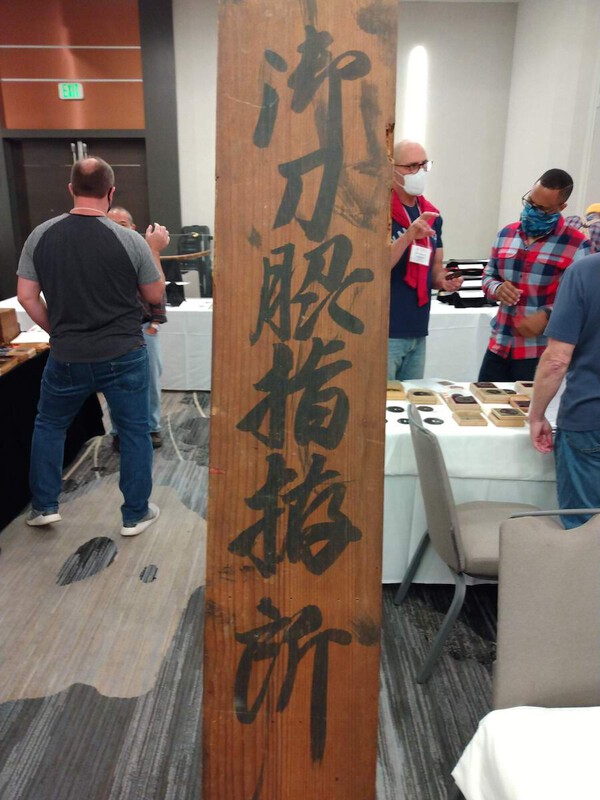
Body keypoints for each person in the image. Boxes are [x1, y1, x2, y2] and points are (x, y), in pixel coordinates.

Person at [16, 157, 168, 536]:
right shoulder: (130, 240)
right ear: (110, 192)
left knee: (50, 426)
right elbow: (154, 295)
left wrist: (58, 330)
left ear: (71, 189)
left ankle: (44, 506)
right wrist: (153, 250)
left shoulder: (40, 236)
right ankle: (135, 514)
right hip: (124, 354)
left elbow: (27, 296)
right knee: (133, 432)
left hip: (67, 355)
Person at [479, 169, 590, 382]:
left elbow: (583, 301)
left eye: (542, 209)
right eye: (530, 202)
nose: (532, 210)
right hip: (499, 346)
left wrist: (548, 316)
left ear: (561, 207)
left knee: (527, 406)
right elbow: (489, 276)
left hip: (539, 354)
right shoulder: (506, 234)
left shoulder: (577, 246)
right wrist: (497, 288)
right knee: (481, 402)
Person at [529, 250, 600, 529]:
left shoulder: (585, 272)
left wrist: (537, 415)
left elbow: (556, 360)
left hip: (589, 418)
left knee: (584, 531)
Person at [388, 139, 463, 380]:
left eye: (423, 165)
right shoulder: (378, 212)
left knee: (412, 397)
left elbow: (435, 270)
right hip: (386, 329)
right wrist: (408, 236)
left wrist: (445, 280)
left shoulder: (431, 215)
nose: (418, 172)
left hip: (417, 327)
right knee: (384, 400)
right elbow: (375, 269)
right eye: (411, 166)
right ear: (391, 168)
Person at [108, 206, 166, 449]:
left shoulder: (143, 251)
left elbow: (157, 290)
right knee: (115, 384)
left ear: (133, 227)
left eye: (122, 224)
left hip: (143, 328)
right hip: (111, 332)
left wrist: (155, 323)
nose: (116, 229)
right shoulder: (100, 254)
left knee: (150, 382)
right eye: (111, 223)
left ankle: (152, 427)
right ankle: (119, 430)